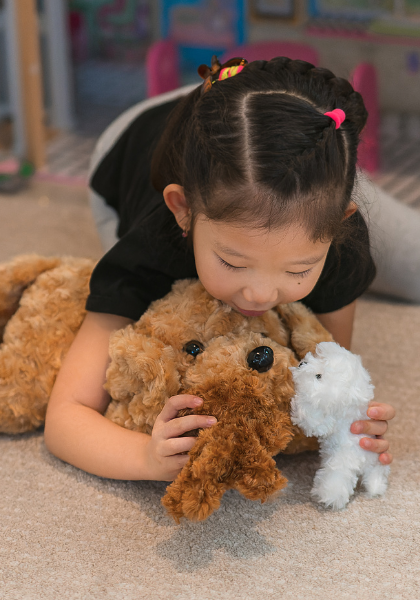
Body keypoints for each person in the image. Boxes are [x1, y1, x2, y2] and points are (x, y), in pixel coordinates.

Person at [44, 56, 395, 482]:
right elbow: (65, 418)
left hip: (297, 131)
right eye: (233, 262)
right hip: (135, 139)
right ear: (183, 211)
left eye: (298, 269)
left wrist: (350, 424)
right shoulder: (148, 252)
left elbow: (328, 373)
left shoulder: (338, 234)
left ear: (340, 222)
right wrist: (146, 458)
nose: (261, 295)